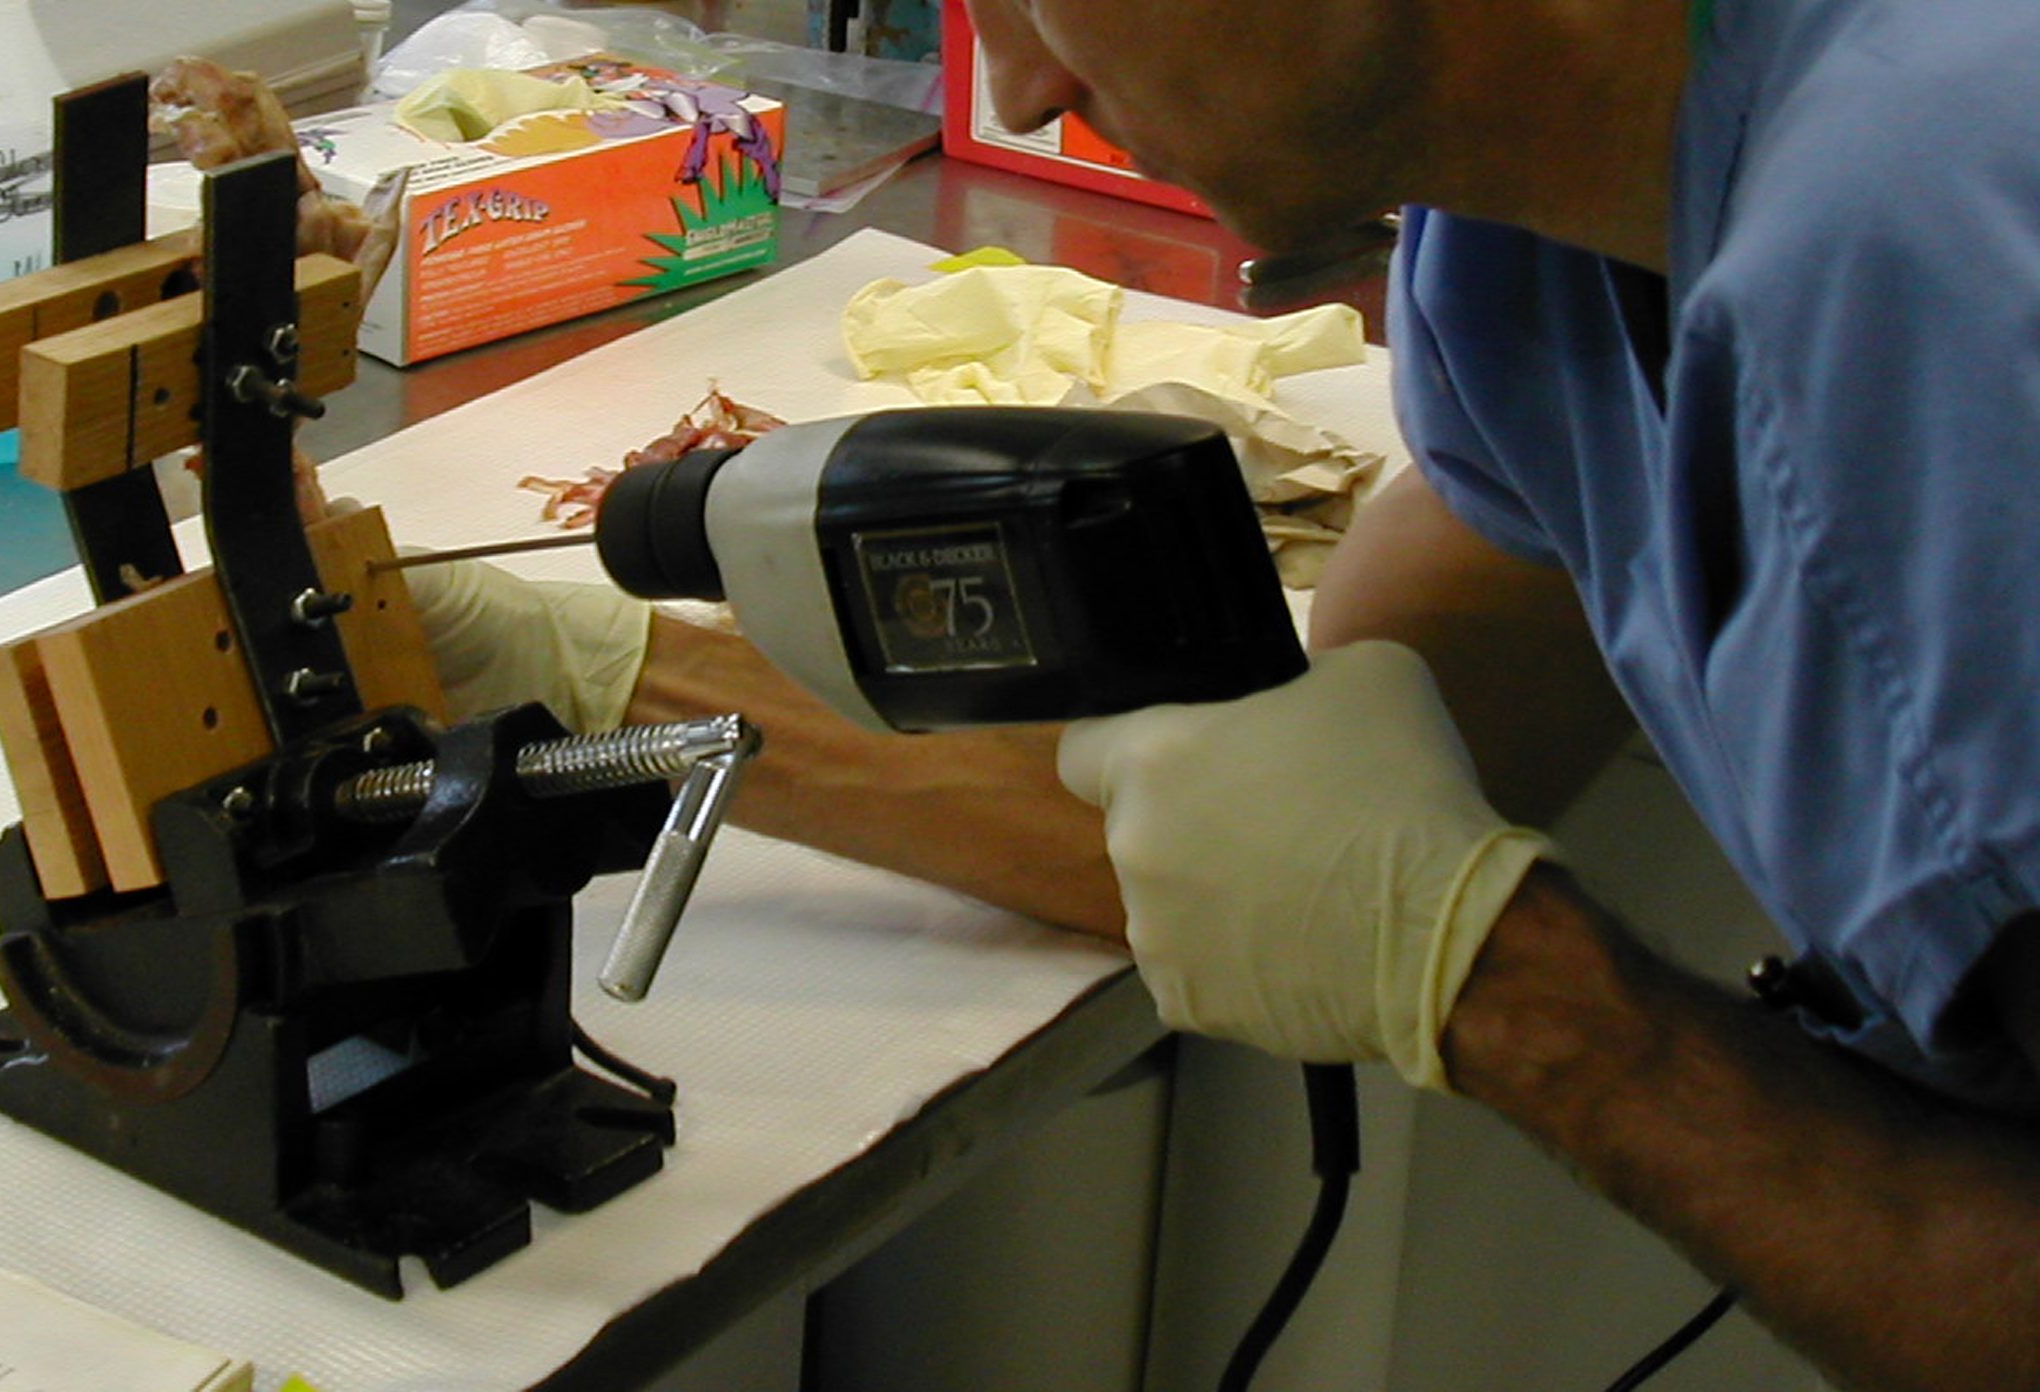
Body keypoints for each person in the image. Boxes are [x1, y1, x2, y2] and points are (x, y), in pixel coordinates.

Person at [396, 0, 2040, 1385]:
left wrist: (1510, 991)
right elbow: (1254, 803)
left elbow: (1385, 896)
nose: (1020, 86)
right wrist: (593, 674)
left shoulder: (1939, 220)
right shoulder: (1523, 258)